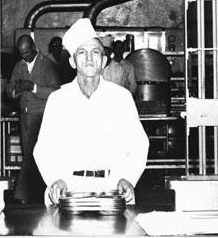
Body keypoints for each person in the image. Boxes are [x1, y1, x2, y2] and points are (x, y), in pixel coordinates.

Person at [33, 18, 149, 206]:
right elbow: (44, 149)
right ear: (72, 61)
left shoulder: (121, 98)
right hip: (68, 191)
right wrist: (56, 179)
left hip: (113, 190)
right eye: (82, 52)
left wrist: (128, 178)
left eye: (95, 52)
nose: (88, 58)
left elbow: (139, 145)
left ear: (103, 61)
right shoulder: (58, 100)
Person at [5, 34, 60, 203]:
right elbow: (8, 89)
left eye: (27, 52)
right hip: (26, 117)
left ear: (34, 48)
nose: (24, 56)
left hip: (42, 116)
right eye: (21, 53)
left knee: (33, 155)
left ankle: (22, 194)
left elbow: (56, 92)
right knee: (30, 155)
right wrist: (16, 90)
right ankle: (35, 194)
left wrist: (33, 87)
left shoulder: (47, 65)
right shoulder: (18, 66)